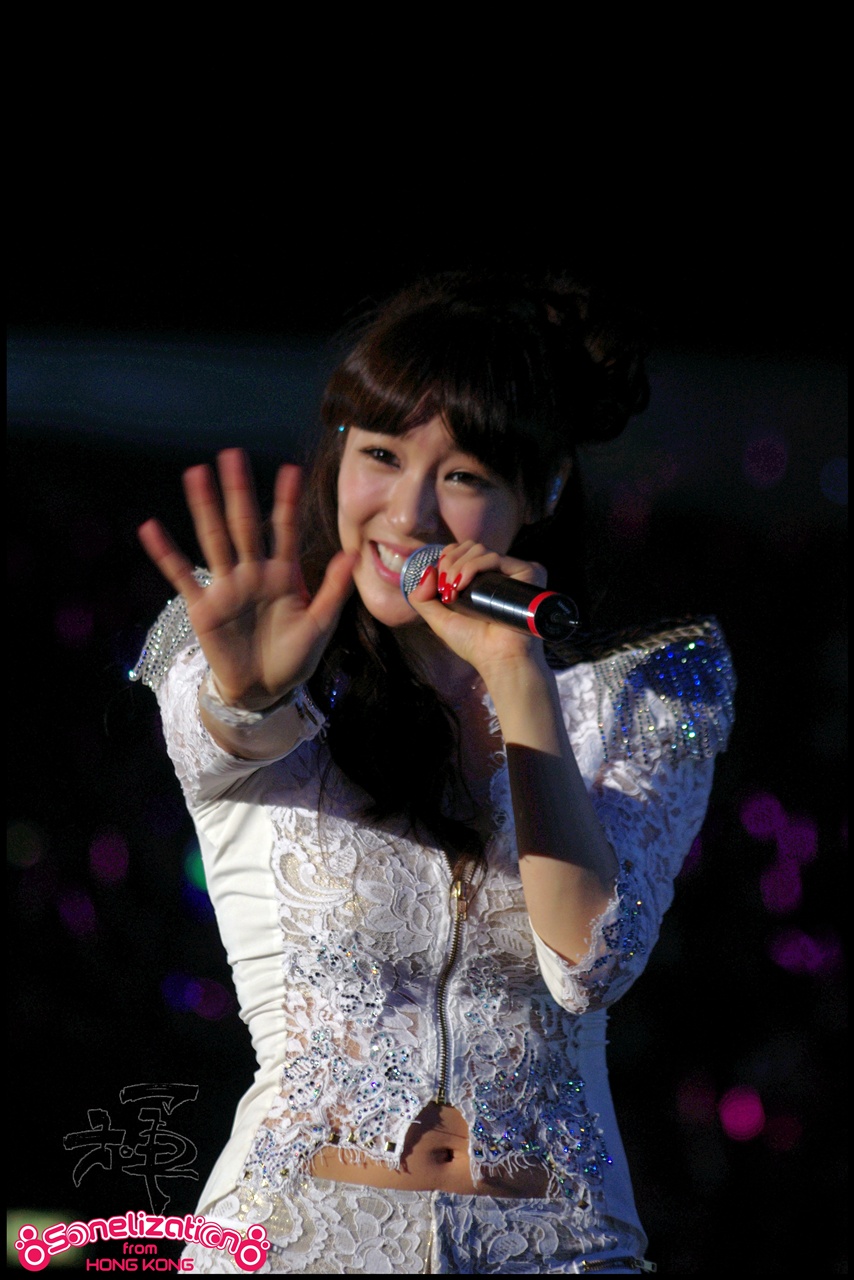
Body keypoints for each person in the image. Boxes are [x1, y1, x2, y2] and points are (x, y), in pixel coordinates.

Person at [131, 270, 735, 1274]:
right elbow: (226, 733)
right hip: (295, 1243)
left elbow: (590, 962)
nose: (407, 511)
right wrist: (245, 694)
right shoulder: (241, 644)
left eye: (462, 476)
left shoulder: (644, 690)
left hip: (558, 1250)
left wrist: (515, 672)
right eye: (379, 455)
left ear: (541, 491)